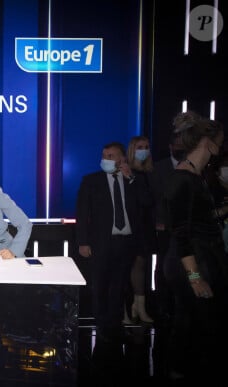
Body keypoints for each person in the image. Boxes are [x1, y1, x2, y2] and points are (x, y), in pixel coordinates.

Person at [162, 117, 228, 382]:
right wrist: (194, 276)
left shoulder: (195, 177)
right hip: (193, 263)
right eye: (221, 142)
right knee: (198, 323)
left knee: (191, 322)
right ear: (208, 144)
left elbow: (201, 218)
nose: (222, 148)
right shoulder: (182, 179)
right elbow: (181, 233)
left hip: (202, 259)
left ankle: (182, 369)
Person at [76, 142, 149, 342]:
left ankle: (115, 324)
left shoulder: (135, 180)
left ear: (122, 159)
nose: (106, 159)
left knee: (120, 284)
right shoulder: (91, 181)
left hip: (126, 242)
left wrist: (131, 178)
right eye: (104, 155)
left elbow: (146, 203)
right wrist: (83, 242)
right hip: (101, 242)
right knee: (100, 284)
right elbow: (82, 214)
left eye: (111, 156)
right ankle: (101, 325)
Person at [151, 110, 202, 324]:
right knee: (166, 269)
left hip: (188, 236)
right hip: (167, 231)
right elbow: (156, 199)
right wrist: (195, 278)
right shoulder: (161, 168)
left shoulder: (200, 172)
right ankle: (165, 307)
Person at [123, 136, 155, 324]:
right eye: (140, 147)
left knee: (141, 266)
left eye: (147, 147)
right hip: (130, 228)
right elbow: (140, 200)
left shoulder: (148, 173)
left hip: (145, 227)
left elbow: (151, 201)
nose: (144, 150)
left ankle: (139, 306)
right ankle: (125, 308)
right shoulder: (128, 173)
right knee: (128, 267)